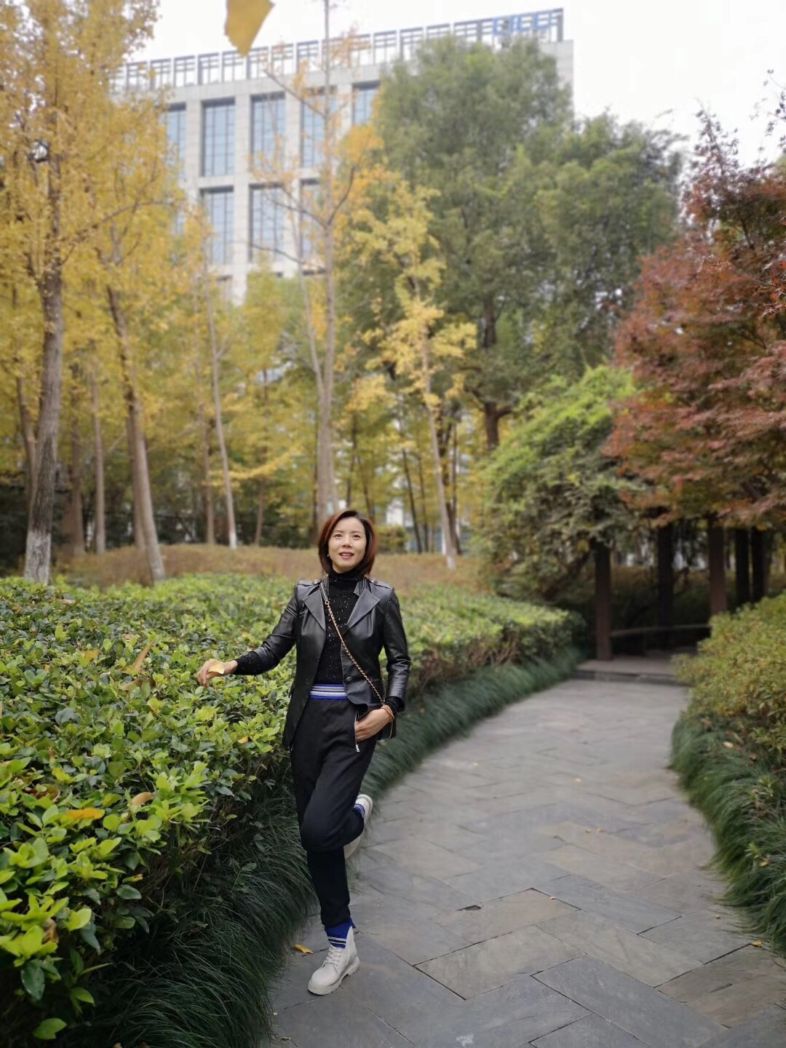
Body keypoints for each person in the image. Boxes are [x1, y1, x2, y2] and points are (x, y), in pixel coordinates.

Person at [196, 509, 410, 996]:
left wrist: (389, 709)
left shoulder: (382, 598)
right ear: (326, 543)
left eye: (356, 536)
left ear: (367, 547)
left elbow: (400, 660)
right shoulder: (305, 595)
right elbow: (273, 650)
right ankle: (341, 943)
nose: (347, 542)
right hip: (308, 723)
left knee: (319, 829)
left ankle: (355, 814)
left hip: (356, 723)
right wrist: (230, 664)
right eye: (339, 535)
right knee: (318, 842)